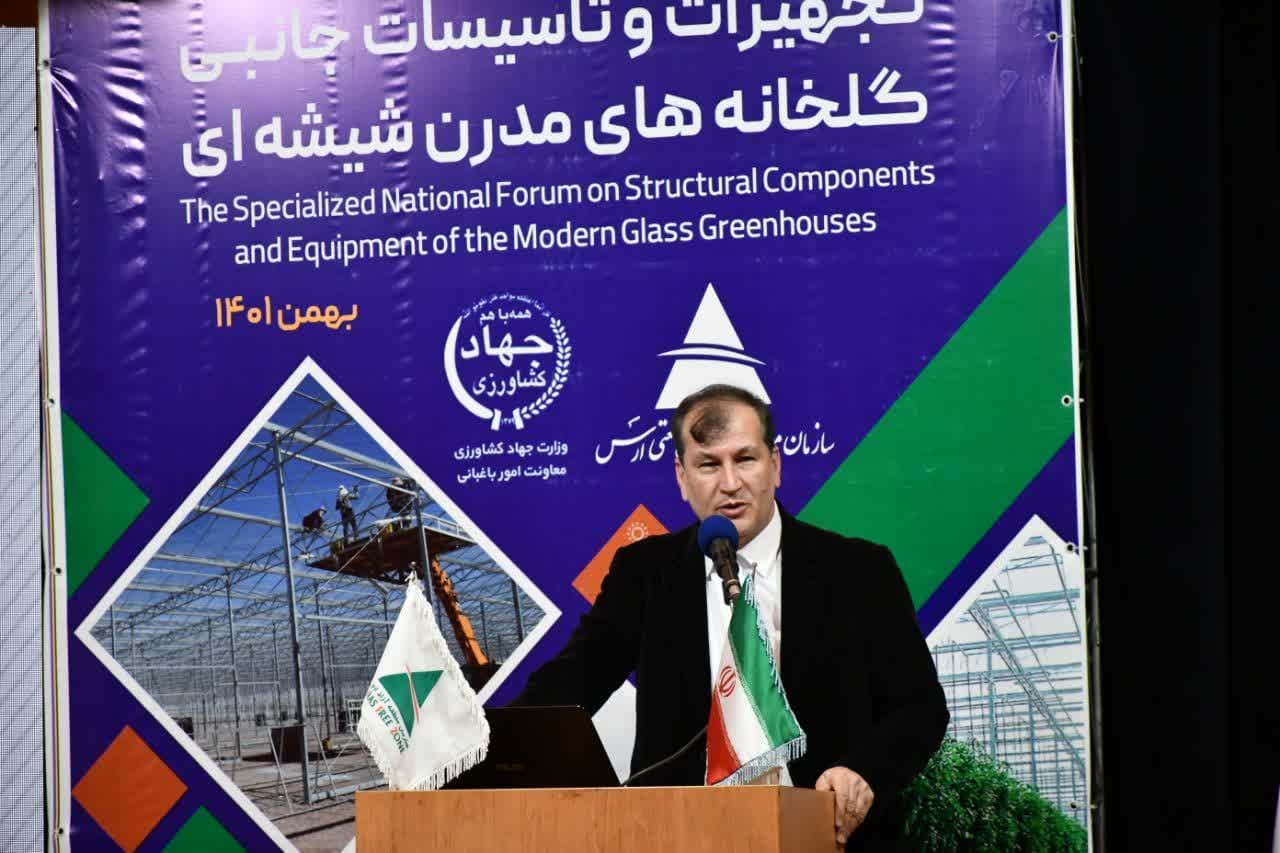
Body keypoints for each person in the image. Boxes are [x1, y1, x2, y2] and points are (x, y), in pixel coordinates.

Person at [515, 384, 948, 851]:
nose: (730, 483)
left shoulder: (859, 570)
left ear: (775, 465)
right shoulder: (644, 572)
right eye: (708, 464)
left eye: (745, 459)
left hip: (827, 835)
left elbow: (919, 706)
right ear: (682, 477)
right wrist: (489, 745)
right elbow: (575, 678)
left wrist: (863, 771)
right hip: (681, 837)